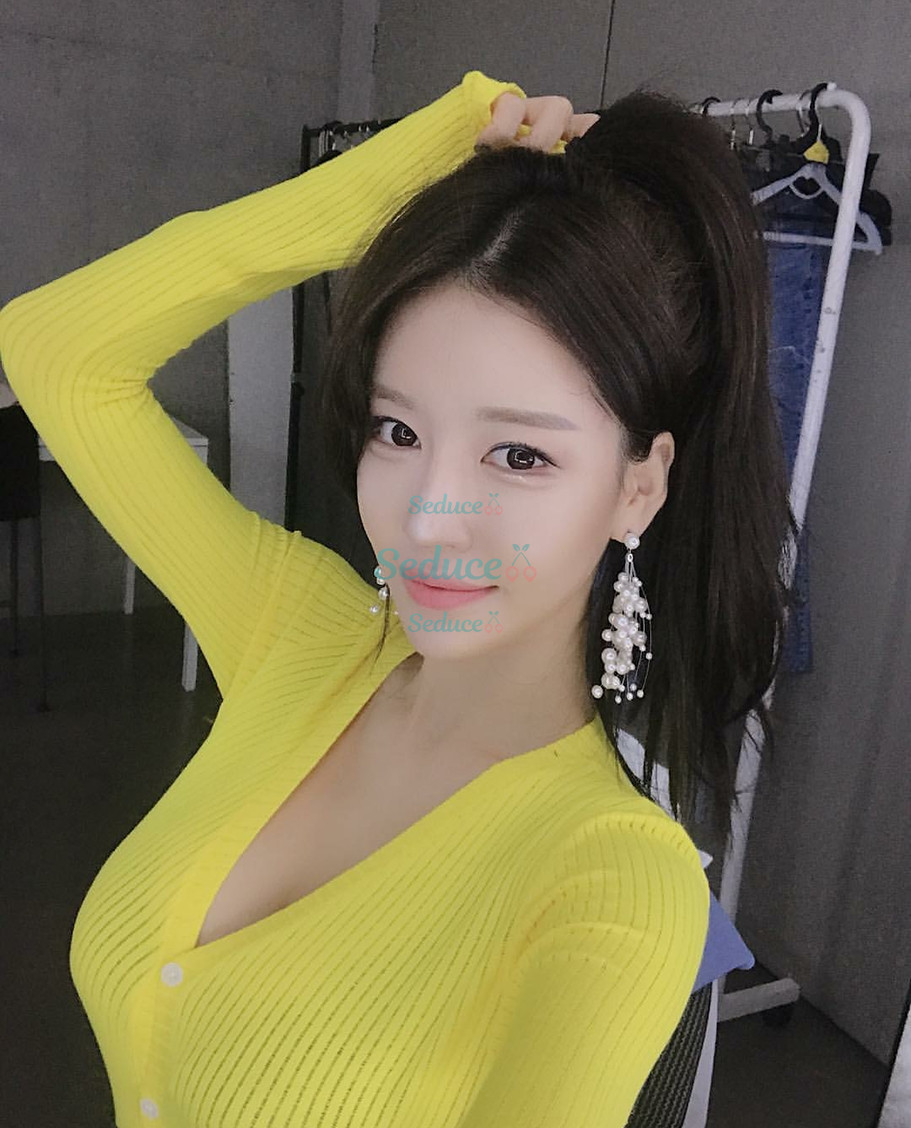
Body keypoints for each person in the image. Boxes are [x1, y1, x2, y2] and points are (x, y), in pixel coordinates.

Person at [0, 69, 795, 1127]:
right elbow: (55, 351)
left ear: (636, 487)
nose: (427, 518)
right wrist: (382, 188)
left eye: (518, 454)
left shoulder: (610, 883)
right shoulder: (301, 633)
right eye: (399, 431)